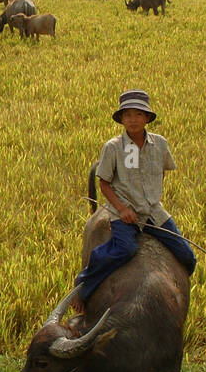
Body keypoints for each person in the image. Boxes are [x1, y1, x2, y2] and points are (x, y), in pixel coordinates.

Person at [70, 90, 196, 315]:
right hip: (124, 214)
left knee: (188, 257)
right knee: (124, 249)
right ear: (121, 119)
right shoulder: (113, 147)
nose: (133, 119)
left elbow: (162, 172)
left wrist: (149, 199)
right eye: (127, 115)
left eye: (138, 114)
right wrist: (122, 209)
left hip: (154, 213)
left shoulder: (160, 144)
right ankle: (84, 283)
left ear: (147, 118)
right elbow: (104, 184)